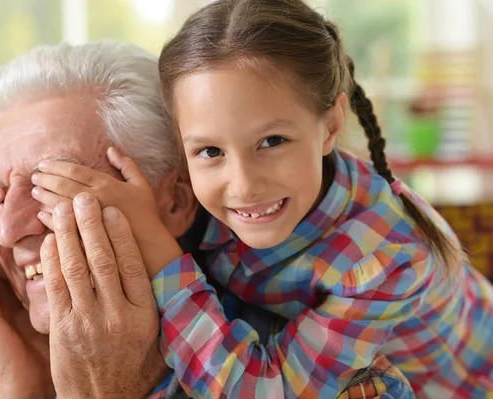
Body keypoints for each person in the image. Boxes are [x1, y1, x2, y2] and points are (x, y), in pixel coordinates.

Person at [30, 1, 493, 398]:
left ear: (330, 126)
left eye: (272, 141)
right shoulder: (196, 197)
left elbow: (267, 389)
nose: (244, 184)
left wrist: (159, 252)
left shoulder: (386, 258)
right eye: (210, 150)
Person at [0, 40, 414, 398]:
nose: (11, 229)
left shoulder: (347, 384)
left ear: (174, 203)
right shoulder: (25, 366)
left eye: (51, 184)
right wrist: (23, 389)